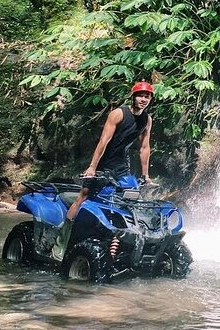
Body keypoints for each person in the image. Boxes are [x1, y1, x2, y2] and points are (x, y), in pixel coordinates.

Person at [51, 81, 154, 261]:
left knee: (129, 200)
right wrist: (92, 167)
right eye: (140, 95)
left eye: (147, 96)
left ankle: (121, 247)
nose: (143, 99)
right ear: (133, 96)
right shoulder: (118, 113)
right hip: (104, 162)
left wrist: (145, 175)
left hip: (122, 165)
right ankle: (60, 245)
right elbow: (103, 141)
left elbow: (144, 148)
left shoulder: (147, 120)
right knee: (83, 195)